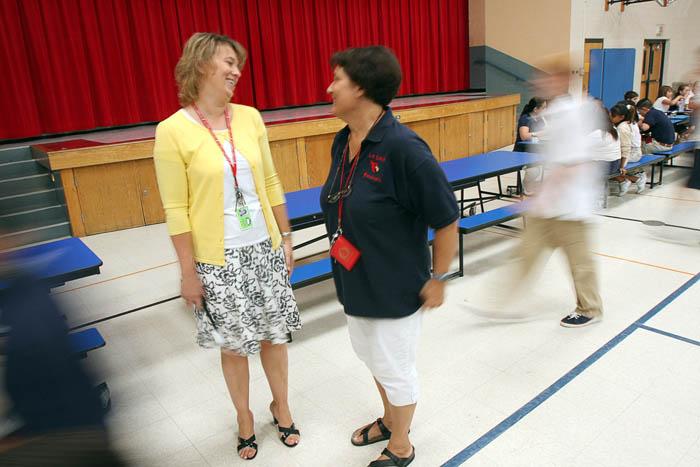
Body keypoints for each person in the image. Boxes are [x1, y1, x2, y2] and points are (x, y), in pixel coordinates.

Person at [152, 32, 301, 461]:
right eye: (228, 62)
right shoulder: (172, 131)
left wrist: (286, 238)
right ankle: (244, 418)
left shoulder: (251, 117)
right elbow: (176, 209)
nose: (237, 71)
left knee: (275, 337)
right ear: (201, 65)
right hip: (219, 260)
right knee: (235, 346)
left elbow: (270, 181)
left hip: (265, 247)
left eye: (238, 64)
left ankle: (282, 406)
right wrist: (187, 272)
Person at [320, 46, 459, 467]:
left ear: (360, 88)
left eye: (337, 80)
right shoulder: (344, 141)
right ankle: (389, 420)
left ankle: (401, 445)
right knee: (372, 358)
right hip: (355, 279)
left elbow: (447, 218)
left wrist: (438, 277)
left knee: (396, 370)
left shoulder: (404, 149)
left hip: (395, 287)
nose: (329, 88)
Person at [610, 102, 646, 195]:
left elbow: (626, 149)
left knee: (609, 167)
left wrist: (622, 166)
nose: (611, 117)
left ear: (622, 116)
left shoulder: (622, 128)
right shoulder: (628, 123)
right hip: (631, 152)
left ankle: (635, 179)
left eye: (613, 116)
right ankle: (626, 181)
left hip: (632, 154)